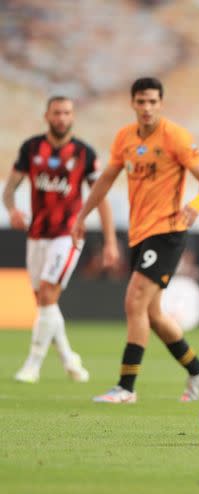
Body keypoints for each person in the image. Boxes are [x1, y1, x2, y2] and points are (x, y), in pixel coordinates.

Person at [72, 77, 199, 403]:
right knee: (152, 314)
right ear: (133, 103)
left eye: (153, 101)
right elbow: (105, 181)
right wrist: (81, 217)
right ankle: (196, 369)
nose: (147, 107)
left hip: (167, 231)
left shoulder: (176, 137)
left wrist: (196, 205)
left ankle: (126, 387)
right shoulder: (124, 138)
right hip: (139, 233)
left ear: (160, 103)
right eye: (141, 102)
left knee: (133, 301)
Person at [3, 96, 119, 384]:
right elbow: (9, 189)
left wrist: (110, 241)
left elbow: (101, 198)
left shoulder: (84, 153)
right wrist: (12, 209)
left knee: (45, 296)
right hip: (37, 235)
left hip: (68, 235)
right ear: (47, 116)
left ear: (73, 117)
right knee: (44, 303)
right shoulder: (31, 148)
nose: (62, 118)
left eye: (67, 112)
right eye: (57, 113)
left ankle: (33, 365)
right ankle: (70, 359)